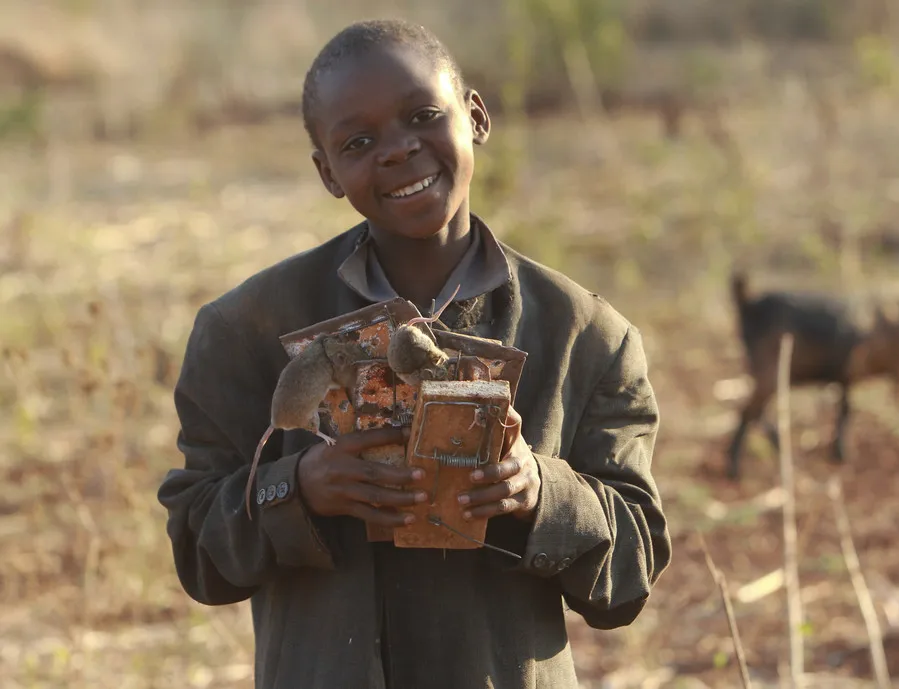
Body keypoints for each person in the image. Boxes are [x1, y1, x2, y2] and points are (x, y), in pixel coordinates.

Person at [158, 17, 671, 689]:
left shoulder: (585, 336)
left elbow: (632, 570)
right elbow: (199, 552)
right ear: (328, 172)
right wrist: (300, 488)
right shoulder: (247, 328)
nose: (398, 151)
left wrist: (538, 490)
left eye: (423, 115)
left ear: (477, 116)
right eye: (359, 141)